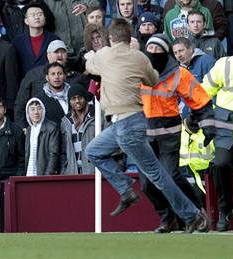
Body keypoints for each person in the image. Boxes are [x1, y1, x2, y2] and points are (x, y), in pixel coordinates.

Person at [84, 18, 208, 233]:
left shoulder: (104, 55)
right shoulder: (140, 57)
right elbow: (152, 80)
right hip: (128, 122)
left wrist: (90, 57)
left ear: (111, 38)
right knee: (93, 151)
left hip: (129, 124)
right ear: (128, 36)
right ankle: (126, 190)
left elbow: (88, 64)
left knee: (157, 175)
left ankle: (192, 215)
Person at [140, 34, 215, 233]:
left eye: (157, 50)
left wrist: (208, 126)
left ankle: (197, 212)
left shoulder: (179, 74)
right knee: (147, 183)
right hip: (144, 135)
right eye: (150, 49)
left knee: (170, 176)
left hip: (169, 133)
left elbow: (200, 100)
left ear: (166, 53)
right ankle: (168, 219)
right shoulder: (138, 71)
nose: (153, 53)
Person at [14, 40, 90, 128]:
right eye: (56, 52)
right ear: (48, 55)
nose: (60, 55)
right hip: (44, 130)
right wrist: (23, 128)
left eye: (63, 52)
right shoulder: (33, 75)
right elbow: (20, 105)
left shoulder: (76, 76)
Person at [201, 55, 233, 231]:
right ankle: (225, 210)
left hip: (225, 128)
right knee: (219, 164)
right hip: (225, 130)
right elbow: (203, 93)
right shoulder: (225, 64)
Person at [12, 3, 59, 78]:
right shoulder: (17, 42)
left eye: (40, 14)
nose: (37, 17)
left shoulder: (54, 39)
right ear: (26, 21)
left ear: (45, 19)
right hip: (26, 83)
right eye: (33, 15)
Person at [60, 83, 95, 175]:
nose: (77, 101)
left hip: (94, 171)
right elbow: (63, 151)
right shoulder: (65, 121)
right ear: (69, 101)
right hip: (73, 172)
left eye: (80, 97)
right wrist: (64, 170)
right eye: (73, 98)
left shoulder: (97, 116)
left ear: (85, 98)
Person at [24, 97, 60, 176]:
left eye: (39, 108)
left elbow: (53, 154)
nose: (36, 112)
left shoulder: (51, 128)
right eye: (32, 109)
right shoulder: (29, 129)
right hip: (29, 173)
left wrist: (47, 175)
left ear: (43, 110)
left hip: (43, 174)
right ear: (28, 112)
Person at [163, 0, 228, 41]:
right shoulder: (169, 11)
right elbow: (168, 36)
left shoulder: (206, 10)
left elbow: (210, 33)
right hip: (177, 54)